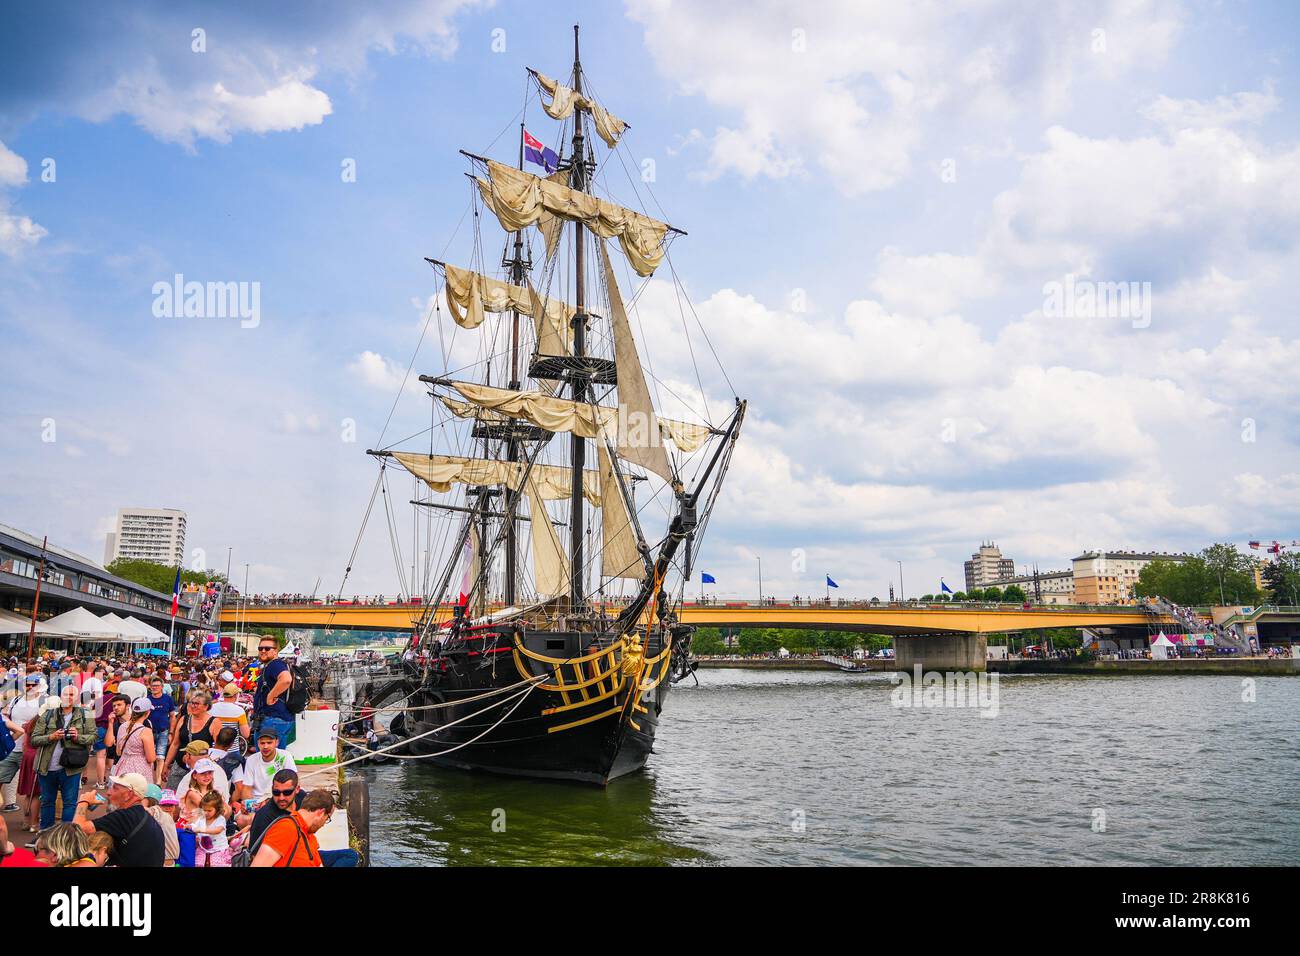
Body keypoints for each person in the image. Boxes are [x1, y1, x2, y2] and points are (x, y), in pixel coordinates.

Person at [31, 685, 95, 830]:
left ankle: (65, 836)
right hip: (47, 766)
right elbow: (34, 739)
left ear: (77, 698)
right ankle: (46, 835)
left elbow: (93, 737)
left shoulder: (86, 714)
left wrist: (78, 737)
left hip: (71, 766)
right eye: (66, 694)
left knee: (70, 803)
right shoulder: (48, 715)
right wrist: (51, 737)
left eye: (72, 694)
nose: (68, 697)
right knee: (47, 801)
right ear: (61, 696)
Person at [71, 772, 164, 867]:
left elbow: (76, 829)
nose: (108, 793)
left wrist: (83, 801)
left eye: (115, 788)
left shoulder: (126, 816)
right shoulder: (143, 816)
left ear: (129, 794)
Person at [250, 787, 334, 867]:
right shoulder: (286, 828)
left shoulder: (309, 835)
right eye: (327, 818)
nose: (323, 824)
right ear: (320, 813)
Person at [1, 675, 46, 811]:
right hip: (10, 749)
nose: (31, 687)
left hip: (32, 751)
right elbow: (6, 718)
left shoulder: (44, 701)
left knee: (33, 788)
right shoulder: (16, 700)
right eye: (28, 685)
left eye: (34, 685)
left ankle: (31, 820)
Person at [161, 689, 222, 787]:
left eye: (197, 703)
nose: (193, 706)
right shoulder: (184, 719)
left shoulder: (214, 722)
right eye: (192, 703)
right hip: (179, 767)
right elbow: (175, 744)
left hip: (201, 772)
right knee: (173, 796)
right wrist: (166, 764)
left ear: (206, 706)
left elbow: (218, 749)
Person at [233, 727, 297, 808]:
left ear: (276, 743)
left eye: (269, 743)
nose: (265, 746)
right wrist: (250, 807)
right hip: (257, 803)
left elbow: (294, 782)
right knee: (242, 819)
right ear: (258, 744)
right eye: (262, 743)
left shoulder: (285, 756)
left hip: (279, 799)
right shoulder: (251, 760)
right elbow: (247, 788)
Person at [251, 638, 294, 748]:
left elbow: (286, 679)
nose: (263, 651)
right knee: (276, 759)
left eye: (267, 648)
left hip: (272, 720)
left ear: (275, 651)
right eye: (260, 648)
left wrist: (271, 696)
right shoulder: (272, 666)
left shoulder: (275, 664)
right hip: (277, 718)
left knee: (268, 760)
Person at [106, 697, 156, 782]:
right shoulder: (145, 730)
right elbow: (150, 758)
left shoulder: (122, 726)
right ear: (147, 713)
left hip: (123, 766)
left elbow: (118, 752)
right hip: (140, 770)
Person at [142, 676, 175, 783]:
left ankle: (158, 783)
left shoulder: (167, 699)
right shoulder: (147, 700)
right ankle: (149, 781)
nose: (154, 688)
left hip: (163, 732)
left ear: (161, 687)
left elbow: (172, 716)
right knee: (149, 758)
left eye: (157, 686)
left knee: (160, 758)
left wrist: (171, 732)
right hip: (149, 732)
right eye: (152, 686)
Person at [142, 783, 180, 866]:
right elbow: (154, 811)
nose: (168, 808)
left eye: (170, 805)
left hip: (167, 862)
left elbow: (154, 811)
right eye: (164, 805)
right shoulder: (160, 815)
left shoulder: (166, 817)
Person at [190, 790, 231, 867]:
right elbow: (194, 825)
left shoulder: (220, 819)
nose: (206, 813)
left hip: (219, 849)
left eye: (209, 810)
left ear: (217, 809)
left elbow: (217, 830)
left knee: (216, 864)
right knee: (198, 863)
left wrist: (201, 830)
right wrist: (189, 826)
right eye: (204, 810)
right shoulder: (201, 818)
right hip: (203, 848)